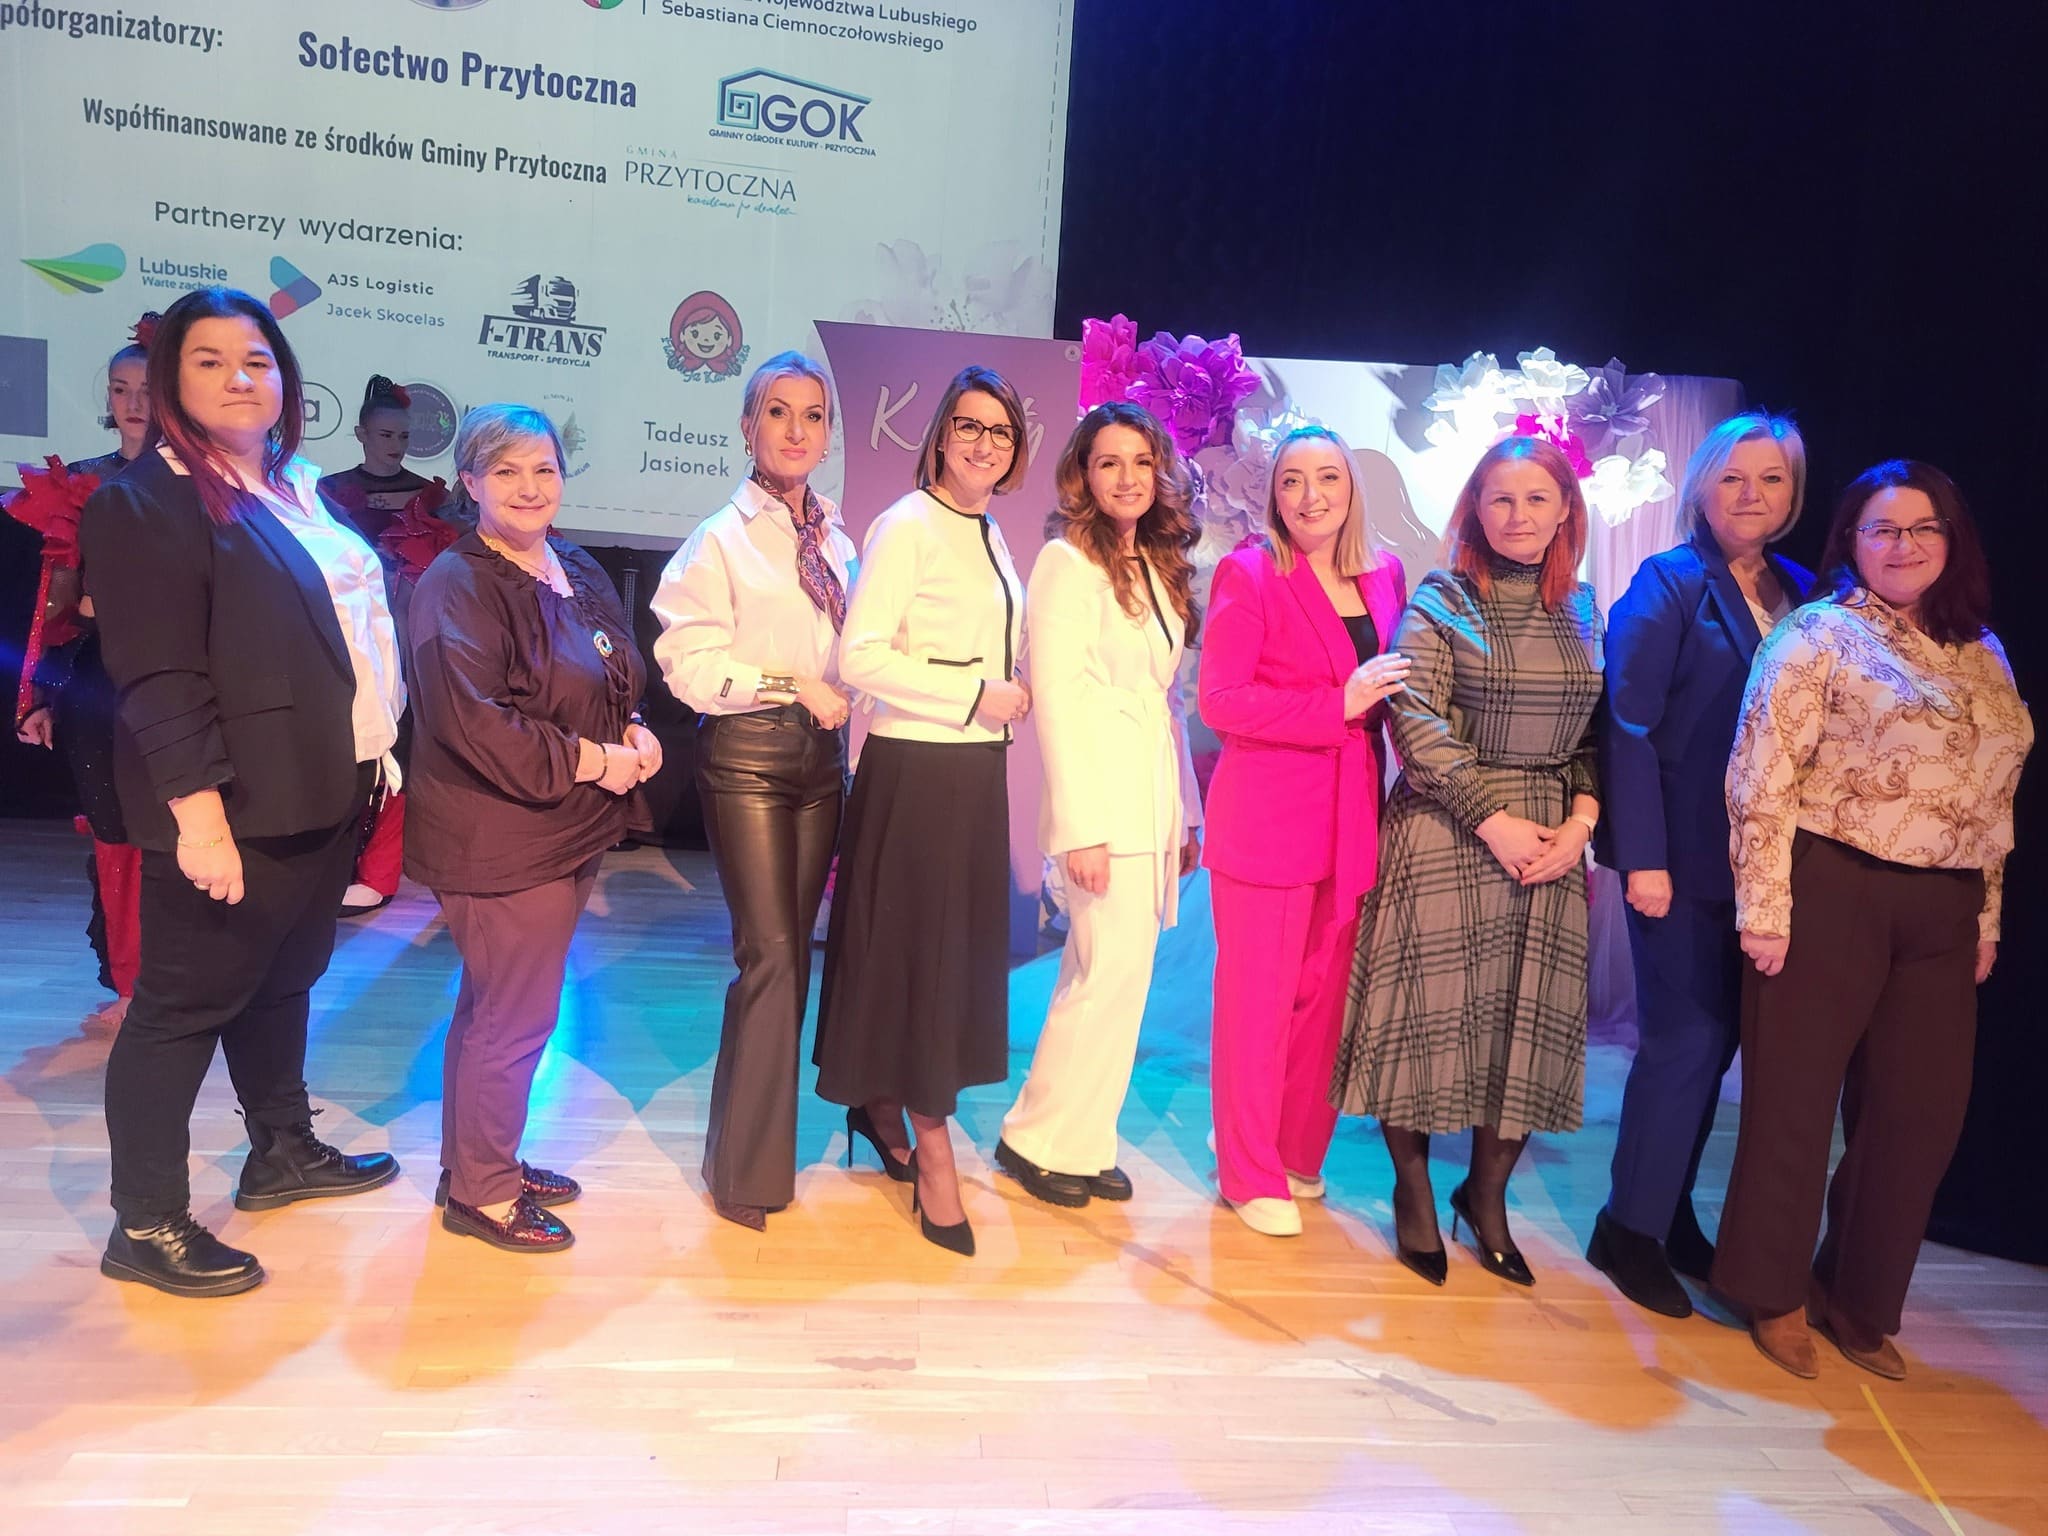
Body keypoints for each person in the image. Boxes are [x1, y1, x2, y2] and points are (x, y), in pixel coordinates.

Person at [79, 286, 404, 1298]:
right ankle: (147, 1223)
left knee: (283, 980)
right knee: (182, 1008)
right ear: (171, 380)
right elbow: (160, 676)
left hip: (325, 784)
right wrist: (200, 817)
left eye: (256, 360)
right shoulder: (147, 501)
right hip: (232, 804)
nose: (238, 378)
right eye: (210, 360)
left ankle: (281, 1151)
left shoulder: (293, 485)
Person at [1716, 460, 2030, 1380]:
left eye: (1922, 528)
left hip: (1946, 907)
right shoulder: (1818, 634)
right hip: (1833, 885)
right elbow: (1760, 778)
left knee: (1918, 1117)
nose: (1903, 546)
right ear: (1851, 541)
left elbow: (1992, 794)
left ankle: (1855, 1297)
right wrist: (1764, 909)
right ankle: (1770, 1291)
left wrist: (1987, 918)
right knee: (1794, 1104)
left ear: (1951, 540)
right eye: (1882, 529)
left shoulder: (1985, 652)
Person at [1333, 434, 1602, 1287]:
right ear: (1475, 510)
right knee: (1424, 1022)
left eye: (1536, 499)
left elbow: (1596, 734)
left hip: (1551, 840)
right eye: (1500, 499)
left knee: (1526, 1025)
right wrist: (1493, 820)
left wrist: (1582, 821)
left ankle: (1484, 1197)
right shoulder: (1441, 596)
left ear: (1565, 510)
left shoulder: (1585, 607)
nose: (1518, 515)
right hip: (1447, 827)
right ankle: (1413, 1192)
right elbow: (1415, 722)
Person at [406, 404, 659, 1253]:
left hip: (562, 824)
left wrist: (634, 730)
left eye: (543, 469)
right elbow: (476, 723)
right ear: (469, 482)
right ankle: (483, 1195)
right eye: (506, 471)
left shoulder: (571, 564)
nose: (528, 487)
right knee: (512, 1019)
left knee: (495, 1009)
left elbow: (609, 674)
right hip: (498, 833)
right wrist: (595, 760)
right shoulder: (458, 583)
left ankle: (479, 1163)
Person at [1587, 412, 1816, 1318]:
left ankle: (1669, 1211)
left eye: (1772, 479)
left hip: (1764, 872)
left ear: (1793, 495)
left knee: (1716, 1048)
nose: (1752, 495)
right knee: (1681, 1043)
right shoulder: (1669, 581)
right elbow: (1628, 726)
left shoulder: (1805, 591)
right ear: (1701, 489)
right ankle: (1626, 1229)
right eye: (1733, 478)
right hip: (1678, 864)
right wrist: (1642, 860)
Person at [813, 366, 1031, 1256]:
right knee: (924, 966)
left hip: (973, 775)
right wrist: (973, 691)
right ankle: (932, 1151)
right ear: (940, 434)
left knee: (940, 962)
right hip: (918, 771)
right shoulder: (907, 524)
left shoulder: (991, 531)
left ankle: (881, 1103)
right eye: (968, 426)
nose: (983, 443)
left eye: (1000, 431)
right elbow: (858, 658)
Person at [651, 352, 855, 1231]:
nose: (796, 430)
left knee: (792, 958)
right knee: (768, 954)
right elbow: (687, 667)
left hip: (822, 765)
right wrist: (789, 685)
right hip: (747, 758)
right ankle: (743, 1172)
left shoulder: (838, 540)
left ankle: (754, 1151)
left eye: (813, 415)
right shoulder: (719, 540)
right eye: (778, 412)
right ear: (747, 427)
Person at [1200, 425, 1410, 1238]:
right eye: (1292, 480)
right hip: (1268, 817)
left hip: (1352, 814)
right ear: (1273, 494)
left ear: (1351, 489)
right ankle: (1247, 1170)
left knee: (1323, 1001)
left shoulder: (1384, 573)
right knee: (1256, 1007)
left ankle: (1292, 1152)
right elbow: (1221, 701)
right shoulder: (1249, 573)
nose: (1310, 495)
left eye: (1327, 477)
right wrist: (1337, 704)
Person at [993, 402, 1204, 1208]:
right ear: (1083, 473)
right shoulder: (1065, 562)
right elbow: (1057, 701)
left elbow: (1166, 701)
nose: (1127, 478)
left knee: (1122, 978)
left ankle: (1082, 1139)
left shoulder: (1154, 565)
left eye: (1141, 462)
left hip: (1150, 799)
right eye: (1109, 462)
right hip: (1101, 804)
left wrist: (1185, 812)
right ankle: (1036, 1138)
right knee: (1096, 971)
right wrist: (1079, 829)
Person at [11, 313, 158, 1024]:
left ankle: (173, 976)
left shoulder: (197, 479)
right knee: (112, 823)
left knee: (174, 824)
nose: (133, 402)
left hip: (177, 673)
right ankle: (130, 978)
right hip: (98, 675)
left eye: (147, 389)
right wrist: (41, 694)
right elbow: (58, 603)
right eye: (120, 388)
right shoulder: (84, 483)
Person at [320, 375, 437, 917]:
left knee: (397, 746)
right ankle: (333, 865)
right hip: (341, 635)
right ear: (361, 434)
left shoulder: (429, 497)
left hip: (404, 639)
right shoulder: (327, 492)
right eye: (385, 435)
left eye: (403, 436)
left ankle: (378, 872)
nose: (395, 445)